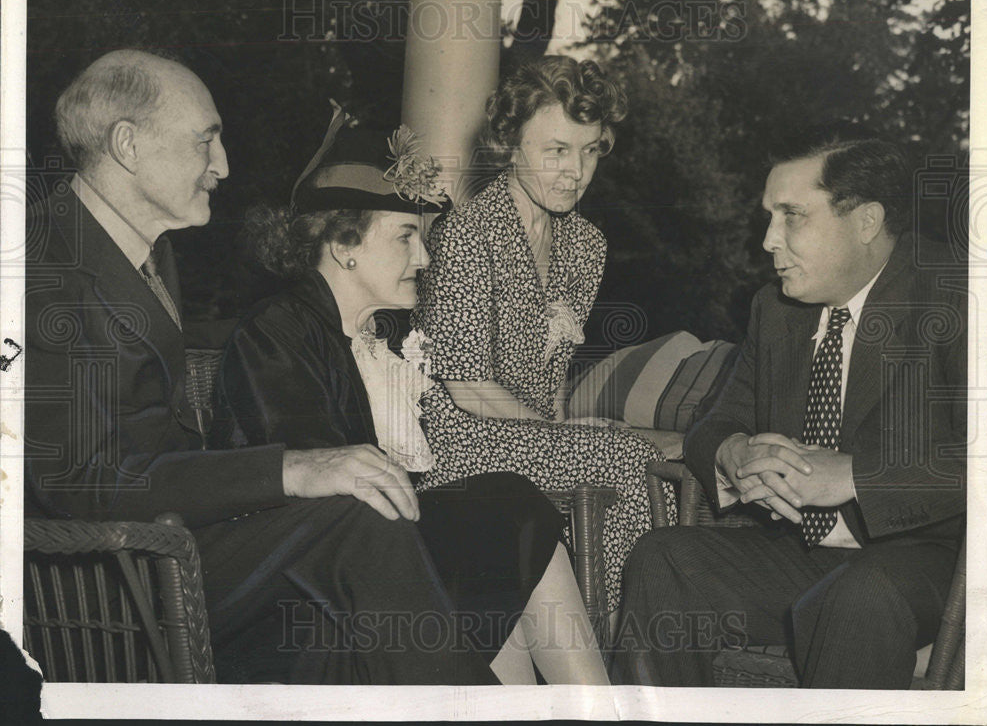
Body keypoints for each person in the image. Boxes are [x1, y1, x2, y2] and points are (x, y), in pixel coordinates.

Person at [24, 49, 501, 685]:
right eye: (206, 140)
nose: (222, 166)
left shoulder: (149, 255)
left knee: (350, 619)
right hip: (105, 587)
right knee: (358, 523)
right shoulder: (40, 271)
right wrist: (288, 469)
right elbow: (76, 483)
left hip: (170, 550)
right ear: (127, 144)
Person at [210, 111, 610, 684]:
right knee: (511, 509)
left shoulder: (390, 340)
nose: (424, 259)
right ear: (344, 242)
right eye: (406, 237)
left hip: (382, 571)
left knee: (510, 536)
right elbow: (321, 506)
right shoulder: (277, 334)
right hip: (305, 606)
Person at [609, 123, 967, 688]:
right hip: (804, 552)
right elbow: (715, 423)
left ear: (866, 221)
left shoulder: (958, 293)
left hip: (939, 561)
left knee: (860, 595)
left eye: (791, 215)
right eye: (768, 218)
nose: (768, 240)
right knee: (663, 559)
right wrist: (736, 451)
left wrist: (853, 477)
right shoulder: (775, 310)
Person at [411, 55, 678, 616]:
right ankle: (618, 631)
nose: (574, 172)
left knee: (638, 456)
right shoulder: (466, 234)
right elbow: (465, 386)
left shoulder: (584, 244)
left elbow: (553, 375)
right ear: (509, 145)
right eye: (556, 151)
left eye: (589, 151)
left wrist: (563, 431)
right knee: (624, 455)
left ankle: (626, 627)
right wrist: (562, 439)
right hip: (458, 442)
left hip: (531, 439)